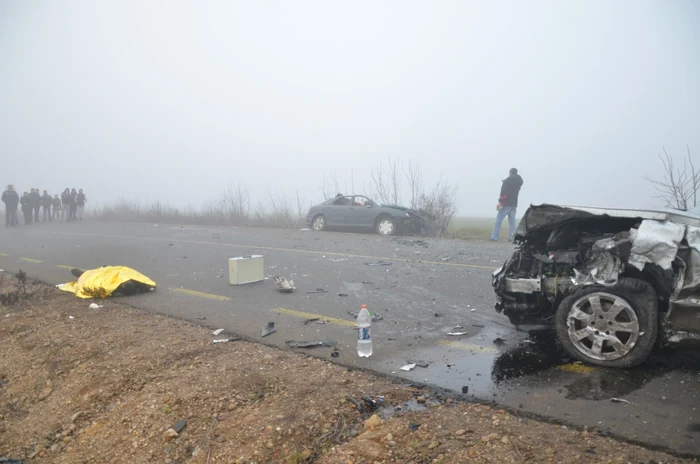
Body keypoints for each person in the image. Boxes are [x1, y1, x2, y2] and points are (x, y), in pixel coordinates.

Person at [491, 168, 524, 242]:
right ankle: (511, 237)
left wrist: (500, 202)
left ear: (510, 173)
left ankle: (494, 237)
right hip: (514, 204)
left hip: (506, 204)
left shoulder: (507, 182)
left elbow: (504, 193)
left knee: (498, 221)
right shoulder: (519, 182)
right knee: (512, 223)